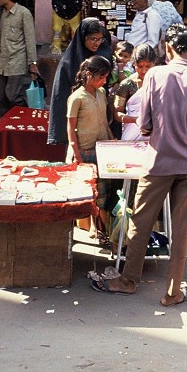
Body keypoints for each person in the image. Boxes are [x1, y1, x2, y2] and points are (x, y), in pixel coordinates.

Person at [90, 24, 187, 305]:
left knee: (141, 221)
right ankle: (173, 292)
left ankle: (128, 280)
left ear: (168, 48)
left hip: (158, 160)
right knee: (182, 230)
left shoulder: (156, 76)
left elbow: (144, 124)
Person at [67, 55, 114, 244]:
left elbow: (104, 120)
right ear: (88, 74)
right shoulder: (77, 97)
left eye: (105, 78)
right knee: (88, 193)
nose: (103, 81)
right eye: (100, 77)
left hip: (103, 149)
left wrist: (112, 140)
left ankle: (102, 229)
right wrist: (77, 154)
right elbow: (70, 127)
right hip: (85, 150)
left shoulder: (101, 93)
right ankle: (90, 227)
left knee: (103, 193)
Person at [48, 18, 114, 145]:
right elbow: (61, 96)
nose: (97, 43)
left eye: (100, 39)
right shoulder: (69, 61)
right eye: (93, 39)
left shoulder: (103, 53)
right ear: (83, 37)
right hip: (78, 118)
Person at [0, 0, 38, 111]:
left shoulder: (24, 13)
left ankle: (25, 115)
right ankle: (6, 125)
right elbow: (0, 38)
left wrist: (33, 63)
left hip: (17, 62)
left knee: (13, 95)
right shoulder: (4, 13)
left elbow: (30, 40)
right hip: (3, 63)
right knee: (3, 98)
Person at [114, 43, 157, 141]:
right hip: (131, 135)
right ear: (134, 64)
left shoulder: (160, 82)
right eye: (140, 66)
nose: (144, 70)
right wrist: (136, 120)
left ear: (154, 64)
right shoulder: (127, 85)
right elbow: (117, 113)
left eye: (148, 66)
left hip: (155, 134)